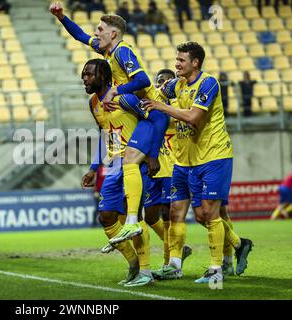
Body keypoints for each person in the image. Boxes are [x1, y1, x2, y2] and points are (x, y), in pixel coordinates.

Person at [49, 2, 168, 249]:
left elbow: (144, 79)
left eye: (100, 29)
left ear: (113, 33)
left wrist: (115, 91)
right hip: (136, 113)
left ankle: (145, 234)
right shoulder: (107, 53)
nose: (96, 33)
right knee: (125, 170)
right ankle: (135, 232)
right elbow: (80, 36)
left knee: (139, 178)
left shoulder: (123, 51)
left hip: (152, 113)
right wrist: (62, 18)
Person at [142, 42, 253, 283]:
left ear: (195, 63)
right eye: (176, 59)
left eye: (181, 60)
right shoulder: (176, 84)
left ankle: (216, 270)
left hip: (213, 157)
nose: (176, 63)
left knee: (208, 214)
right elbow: (151, 95)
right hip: (185, 160)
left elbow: (194, 116)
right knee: (175, 211)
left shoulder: (208, 83)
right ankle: (174, 265)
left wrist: (161, 106)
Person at [81, 59, 156, 287]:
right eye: (83, 74)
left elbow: (153, 120)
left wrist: (152, 155)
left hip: (134, 162)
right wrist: (94, 168)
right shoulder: (94, 103)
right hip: (113, 165)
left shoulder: (126, 98)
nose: (84, 78)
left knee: (137, 219)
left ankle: (146, 272)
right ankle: (133, 263)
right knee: (106, 217)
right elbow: (106, 134)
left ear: (103, 75)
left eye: (89, 74)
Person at [140, 69, 193, 273]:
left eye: (166, 81)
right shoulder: (152, 107)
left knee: (168, 214)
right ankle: (177, 248)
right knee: (151, 217)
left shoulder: (179, 106)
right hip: (154, 168)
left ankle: (169, 263)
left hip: (172, 167)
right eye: (158, 81)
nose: (162, 84)